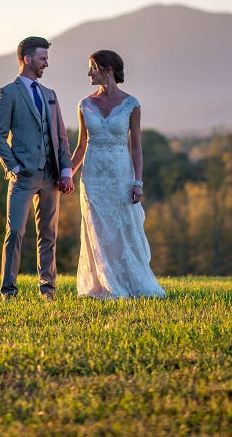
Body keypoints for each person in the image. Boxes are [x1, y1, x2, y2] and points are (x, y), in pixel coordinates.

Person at [70, 50, 165, 299]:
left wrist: (137, 182)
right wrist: (67, 174)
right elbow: (81, 145)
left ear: (108, 70)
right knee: (96, 229)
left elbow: (135, 146)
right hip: (92, 178)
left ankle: (130, 282)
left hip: (121, 176)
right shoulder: (84, 104)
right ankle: (102, 283)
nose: (89, 73)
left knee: (123, 229)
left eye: (93, 67)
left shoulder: (131, 105)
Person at [0, 36, 74, 301]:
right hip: (23, 177)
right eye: (43, 58)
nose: (46, 64)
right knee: (15, 231)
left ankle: (48, 291)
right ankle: (8, 292)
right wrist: (13, 167)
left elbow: (61, 136)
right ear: (27, 60)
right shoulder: (8, 93)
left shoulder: (50, 95)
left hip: (51, 177)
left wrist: (65, 171)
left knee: (48, 235)